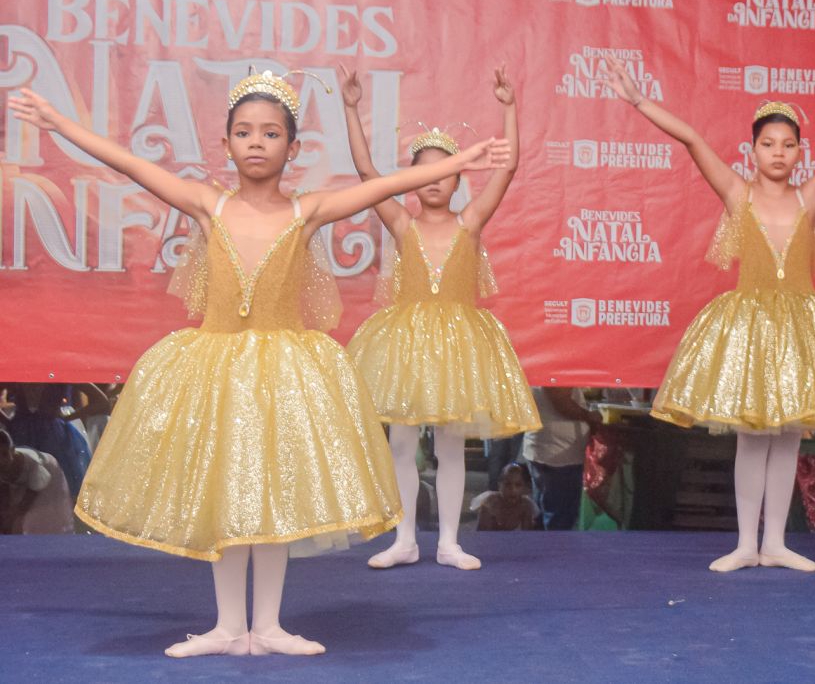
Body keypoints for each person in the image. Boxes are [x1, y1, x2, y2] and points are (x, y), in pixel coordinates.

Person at [7, 73, 509, 656]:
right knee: (227, 494)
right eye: (244, 132)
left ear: (293, 148)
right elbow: (127, 162)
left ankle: (266, 627)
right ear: (225, 144)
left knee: (271, 497)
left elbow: (386, 183)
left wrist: (463, 161)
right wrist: (57, 123)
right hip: (218, 373)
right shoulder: (208, 203)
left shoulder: (307, 210)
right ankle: (227, 627)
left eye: (271, 133)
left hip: (282, 376)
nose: (256, 142)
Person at [606, 55, 815, 572]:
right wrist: (638, 100)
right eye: (768, 144)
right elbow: (692, 138)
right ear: (753, 150)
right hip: (750, 329)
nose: (778, 152)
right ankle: (746, 544)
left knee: (788, 438)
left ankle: (777, 543)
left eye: (788, 144)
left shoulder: (811, 196)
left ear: (800, 152)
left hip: (800, 331)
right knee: (752, 437)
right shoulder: (736, 192)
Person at [342, 64, 539, 571]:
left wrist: (509, 107)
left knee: (451, 445)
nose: (434, 180)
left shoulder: (470, 222)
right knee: (401, 443)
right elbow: (366, 173)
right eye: (424, 172)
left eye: (445, 171)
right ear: (413, 180)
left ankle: (450, 542)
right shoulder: (401, 222)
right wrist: (350, 107)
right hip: (405, 345)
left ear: (458, 180)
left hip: (456, 346)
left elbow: (508, 168)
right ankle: (405, 539)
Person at [522, 387, 600, 530]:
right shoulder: (554, 375)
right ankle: (555, 544)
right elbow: (561, 402)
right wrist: (589, 416)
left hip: (547, 449)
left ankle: (542, 543)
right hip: (558, 455)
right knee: (559, 518)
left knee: (543, 512)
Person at [0, 427, 74, 535]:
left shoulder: (32, 463)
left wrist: (15, 514)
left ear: (12, 450)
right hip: (22, 484)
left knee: (37, 515)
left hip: (46, 479)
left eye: (4, 454)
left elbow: (33, 491)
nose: (1, 461)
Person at [471, 463, 539, 531]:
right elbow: (482, 534)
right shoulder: (490, 503)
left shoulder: (526, 505)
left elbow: (527, 534)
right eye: (507, 484)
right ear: (499, 485)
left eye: (518, 485)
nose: (513, 490)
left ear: (525, 487)